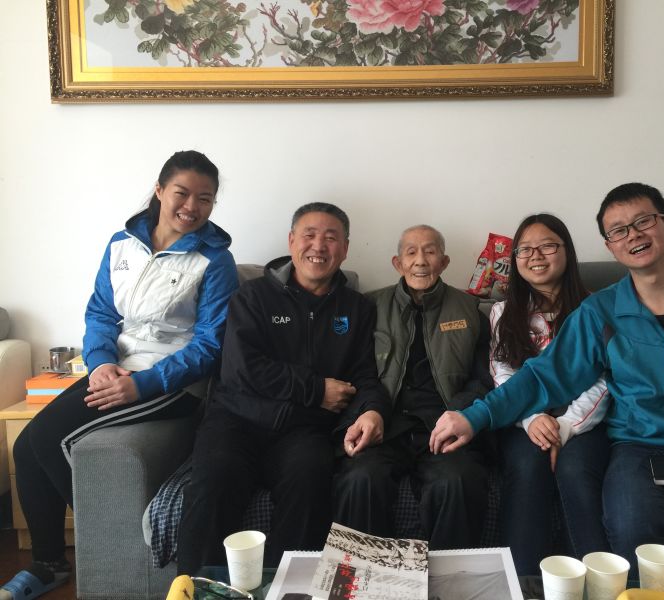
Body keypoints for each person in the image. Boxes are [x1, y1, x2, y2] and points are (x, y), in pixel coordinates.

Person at [430, 183, 664, 589]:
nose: (633, 235)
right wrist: (475, 416)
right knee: (630, 531)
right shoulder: (600, 311)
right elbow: (544, 376)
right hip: (641, 451)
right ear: (610, 246)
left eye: (644, 222)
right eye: (619, 230)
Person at [1, 150, 239, 600]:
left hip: (172, 381)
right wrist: (100, 362)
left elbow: (209, 346)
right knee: (25, 447)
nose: (192, 206)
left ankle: (116, 546)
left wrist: (140, 385)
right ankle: (48, 564)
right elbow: (101, 313)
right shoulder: (120, 244)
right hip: (116, 366)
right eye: (182, 193)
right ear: (159, 190)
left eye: (205, 198)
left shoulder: (214, 261)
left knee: (46, 439)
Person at [177, 202, 390, 572]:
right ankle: (196, 589)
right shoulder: (253, 296)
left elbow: (364, 374)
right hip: (236, 420)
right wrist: (316, 389)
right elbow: (241, 368)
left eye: (331, 238)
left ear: (345, 248)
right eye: (309, 235)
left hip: (303, 429)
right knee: (213, 482)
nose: (318, 246)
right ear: (292, 241)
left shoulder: (357, 308)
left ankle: (287, 589)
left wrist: (373, 410)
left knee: (310, 478)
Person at [334, 225, 492, 550]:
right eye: (411, 252)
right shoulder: (370, 307)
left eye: (430, 251)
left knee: (459, 480)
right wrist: (369, 411)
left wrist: (458, 413)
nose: (420, 260)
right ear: (397, 263)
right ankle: (362, 576)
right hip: (385, 424)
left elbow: (483, 377)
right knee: (361, 478)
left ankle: (449, 579)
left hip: (443, 425)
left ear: (444, 262)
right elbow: (356, 370)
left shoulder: (470, 310)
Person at [491, 213, 610, 573]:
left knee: (575, 468)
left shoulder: (595, 308)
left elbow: (605, 379)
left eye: (546, 246)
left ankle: (594, 582)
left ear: (566, 251)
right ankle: (522, 581)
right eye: (525, 249)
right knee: (528, 464)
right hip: (524, 422)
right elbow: (503, 375)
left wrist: (567, 426)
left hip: (584, 423)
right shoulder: (502, 312)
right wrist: (531, 419)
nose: (535, 256)